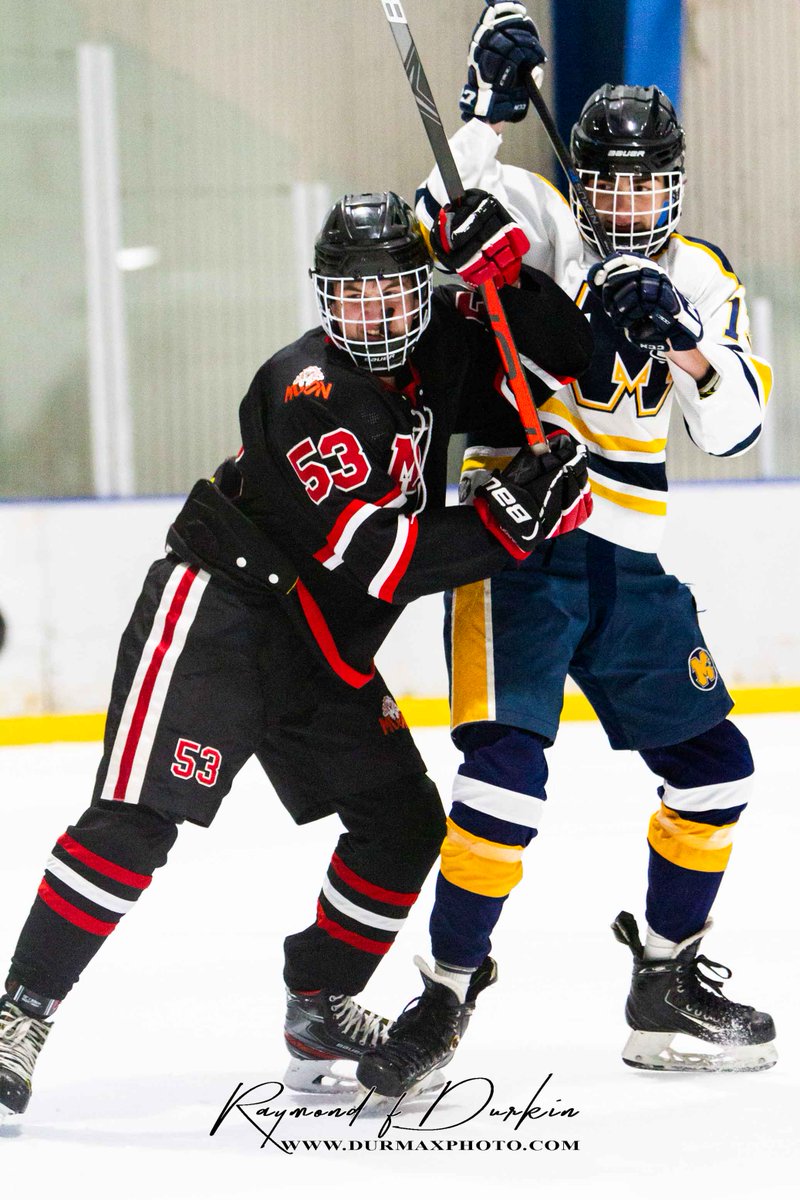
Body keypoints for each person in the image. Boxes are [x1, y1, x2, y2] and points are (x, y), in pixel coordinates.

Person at [0, 187, 594, 1119]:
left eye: (391, 291)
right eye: (348, 296)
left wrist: (505, 276)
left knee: (403, 824)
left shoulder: (440, 344)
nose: (371, 315)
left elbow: (569, 364)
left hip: (323, 647)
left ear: (420, 289)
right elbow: (378, 557)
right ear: (324, 299)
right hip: (222, 616)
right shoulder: (304, 387)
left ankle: (318, 1003)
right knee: (136, 820)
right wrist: (510, 521)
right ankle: (18, 1012)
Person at [357, 1, 776, 1098]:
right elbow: (435, 214)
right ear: (580, 181)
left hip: (629, 567)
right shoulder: (541, 222)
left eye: (644, 184)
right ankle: (445, 990)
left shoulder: (701, 274)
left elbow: (734, 428)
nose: (625, 202)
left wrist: (683, 346)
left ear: (673, 185)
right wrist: (481, 109)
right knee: (505, 781)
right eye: (609, 182)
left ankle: (665, 982)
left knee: (716, 772)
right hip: (522, 544)